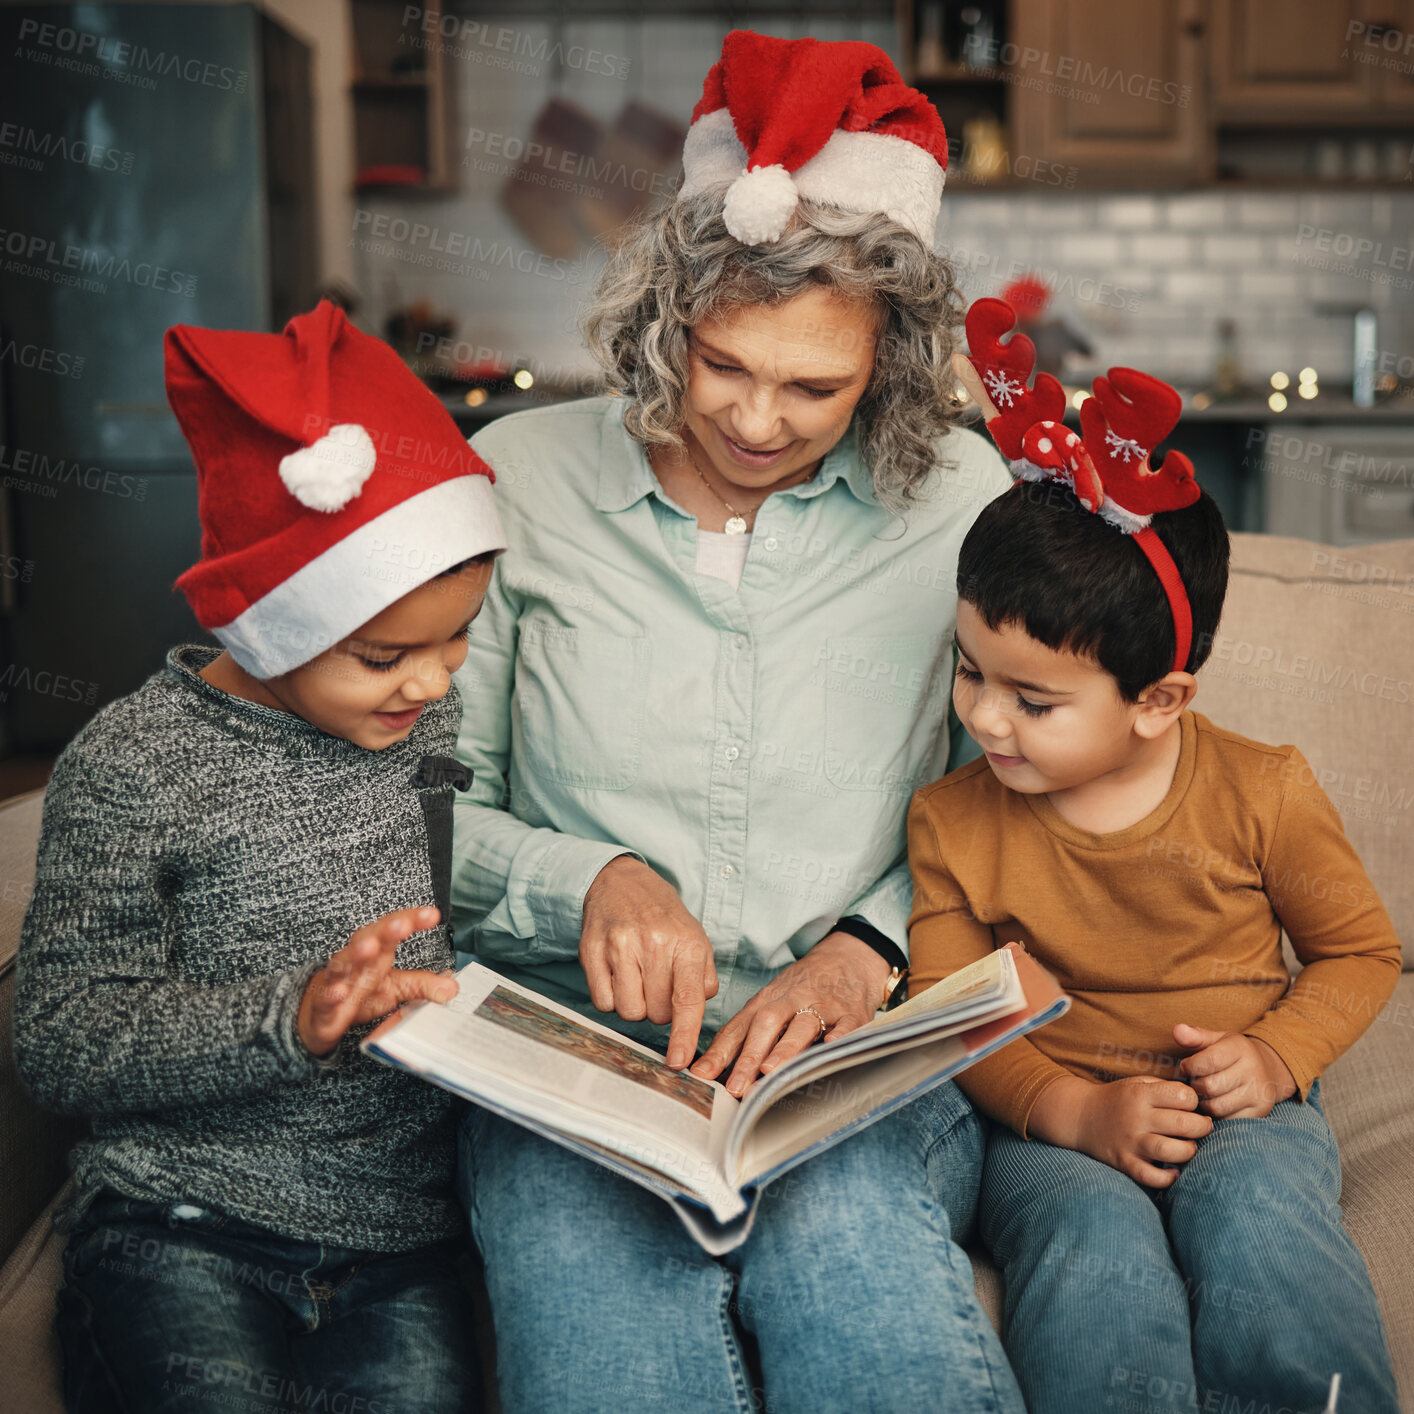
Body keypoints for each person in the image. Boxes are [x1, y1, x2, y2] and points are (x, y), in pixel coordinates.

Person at [448, 30, 1026, 1414]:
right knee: (600, 1332)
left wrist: (865, 949)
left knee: (851, 1259)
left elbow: (1006, 799)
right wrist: (582, 873)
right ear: (664, 322)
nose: (757, 419)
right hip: (569, 1052)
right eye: (720, 366)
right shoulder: (514, 481)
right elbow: (416, 800)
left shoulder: (957, 501)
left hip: (847, 1061)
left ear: (887, 364)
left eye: (814, 387)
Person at [906, 298, 1402, 1414]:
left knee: (1263, 1225)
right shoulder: (952, 819)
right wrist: (1073, 1113)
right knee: (1090, 1250)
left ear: (1159, 700)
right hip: (1055, 1117)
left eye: (1032, 700)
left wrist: (1275, 1059)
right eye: (970, 669)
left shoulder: (1261, 790)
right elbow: (951, 1007)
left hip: (1242, 1106)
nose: (984, 719)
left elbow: (1358, 953)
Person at [14, 302, 508, 1414]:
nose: (432, 685)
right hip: (180, 1224)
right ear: (273, 622)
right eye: (386, 654)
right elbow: (57, 1040)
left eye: (458, 637)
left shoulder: (423, 726)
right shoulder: (135, 762)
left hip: (398, 1246)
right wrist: (290, 1020)